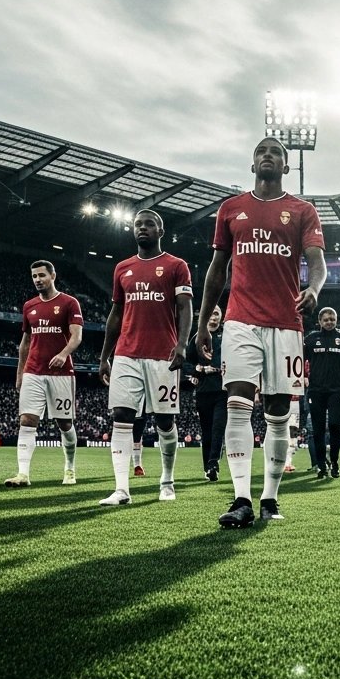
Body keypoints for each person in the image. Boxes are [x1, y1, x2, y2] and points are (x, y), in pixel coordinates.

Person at [196, 137, 326, 527]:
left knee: (278, 412)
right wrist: (204, 323)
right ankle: (241, 499)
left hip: (286, 323)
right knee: (237, 403)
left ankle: (269, 498)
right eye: (261, 152)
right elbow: (217, 270)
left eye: (276, 153)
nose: (267, 156)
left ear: (286, 167)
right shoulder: (231, 209)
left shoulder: (302, 210)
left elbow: (317, 264)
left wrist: (314, 289)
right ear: (253, 163)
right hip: (239, 321)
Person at [97, 209, 193, 505]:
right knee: (121, 417)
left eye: (149, 224)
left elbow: (185, 308)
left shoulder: (176, 266)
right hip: (126, 354)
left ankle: (167, 480)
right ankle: (121, 489)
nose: (142, 228)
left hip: (162, 354)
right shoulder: (122, 268)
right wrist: (105, 356)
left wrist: (182, 343)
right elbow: (115, 314)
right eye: (138, 224)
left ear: (160, 231)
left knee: (165, 421)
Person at [4, 260, 84, 488]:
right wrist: (20, 372)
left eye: (41, 275)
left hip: (61, 373)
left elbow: (77, 336)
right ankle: (23, 474)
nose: (38, 280)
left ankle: (69, 469)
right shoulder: (29, 306)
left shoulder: (69, 303)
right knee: (27, 421)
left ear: (53, 275)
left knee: (65, 424)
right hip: (34, 371)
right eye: (34, 276)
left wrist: (63, 353)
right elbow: (25, 343)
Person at [304, 306, 340, 478]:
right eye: (326, 319)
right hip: (316, 390)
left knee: (335, 425)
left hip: (336, 390)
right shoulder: (311, 339)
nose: (329, 322)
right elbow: (301, 360)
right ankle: (321, 466)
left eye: (332, 319)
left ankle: (334, 461)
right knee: (318, 430)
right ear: (320, 321)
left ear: (336, 320)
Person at [185, 305, 226, 480]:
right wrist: (199, 369)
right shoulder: (197, 338)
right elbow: (185, 364)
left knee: (218, 427)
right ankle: (208, 467)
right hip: (203, 391)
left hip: (223, 389)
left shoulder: (228, 335)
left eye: (216, 313)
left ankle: (213, 463)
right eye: (210, 314)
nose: (213, 317)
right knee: (207, 430)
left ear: (221, 316)